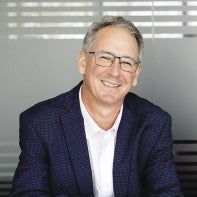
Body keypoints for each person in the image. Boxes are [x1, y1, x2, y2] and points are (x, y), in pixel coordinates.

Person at [10, 16, 183, 197]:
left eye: (126, 62)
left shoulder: (154, 123)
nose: (114, 71)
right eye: (104, 57)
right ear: (83, 62)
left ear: (136, 74)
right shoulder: (40, 123)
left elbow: (168, 193)